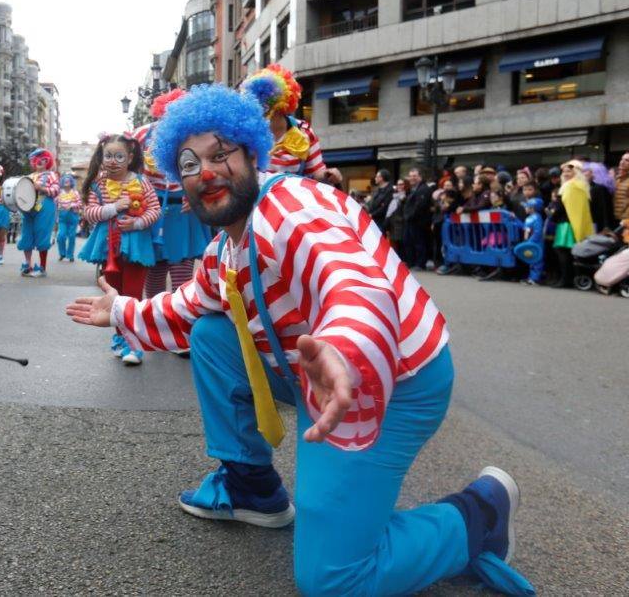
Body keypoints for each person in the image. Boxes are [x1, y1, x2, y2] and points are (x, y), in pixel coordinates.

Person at [65, 85, 531, 597]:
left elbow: (350, 278)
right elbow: (187, 305)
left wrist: (344, 349)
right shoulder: (226, 246)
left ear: (249, 151)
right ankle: (252, 488)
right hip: (309, 372)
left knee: (334, 579)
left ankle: (478, 516)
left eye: (221, 154)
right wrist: (122, 311)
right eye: (190, 164)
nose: (209, 173)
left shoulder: (291, 206)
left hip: (389, 380)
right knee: (212, 333)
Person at [78, 133, 160, 366]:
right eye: (108, 156)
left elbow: (155, 210)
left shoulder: (142, 182)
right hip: (109, 247)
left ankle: (135, 345)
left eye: (119, 156)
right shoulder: (99, 184)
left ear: (130, 157)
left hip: (136, 246)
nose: (113, 160)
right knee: (114, 295)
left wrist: (137, 223)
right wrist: (113, 208)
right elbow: (90, 212)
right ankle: (121, 336)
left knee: (132, 295)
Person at [137, 89, 211, 303]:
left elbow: (208, 166)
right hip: (152, 209)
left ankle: (179, 321)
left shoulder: (197, 135)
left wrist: (197, 192)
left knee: (183, 270)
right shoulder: (143, 135)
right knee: (155, 269)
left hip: (185, 211)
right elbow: (130, 168)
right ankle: (155, 320)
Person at [239, 64, 341, 185]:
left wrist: (328, 175)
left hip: (290, 199)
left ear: (281, 106)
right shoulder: (246, 133)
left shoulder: (304, 131)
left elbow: (316, 171)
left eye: (266, 108)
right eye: (256, 108)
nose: (260, 113)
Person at [18, 148, 60, 277]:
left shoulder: (52, 175)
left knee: (42, 234)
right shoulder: (29, 177)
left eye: (44, 159)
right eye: (37, 159)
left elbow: (56, 190)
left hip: (44, 205)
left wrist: (41, 188)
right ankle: (28, 264)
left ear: (48, 161)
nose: (40, 161)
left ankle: (42, 267)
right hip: (28, 208)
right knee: (26, 235)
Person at [552, 160, 594, 288]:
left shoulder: (569, 186)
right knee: (570, 252)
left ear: (576, 172)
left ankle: (566, 279)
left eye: (569, 171)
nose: (565, 173)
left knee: (562, 251)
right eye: (564, 171)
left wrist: (552, 214)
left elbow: (561, 207)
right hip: (573, 223)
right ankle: (570, 278)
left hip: (566, 224)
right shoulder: (582, 186)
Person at [402, 167, 434, 269]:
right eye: (410, 176)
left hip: (418, 222)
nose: (412, 178)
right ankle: (412, 262)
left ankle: (420, 263)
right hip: (411, 221)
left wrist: (409, 216)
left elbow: (419, 206)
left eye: (414, 176)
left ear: (420, 177)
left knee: (419, 242)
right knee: (409, 242)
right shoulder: (413, 189)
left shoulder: (424, 189)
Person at [55, 173, 82, 262]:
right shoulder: (59, 193)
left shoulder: (75, 193)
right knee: (61, 236)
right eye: (65, 180)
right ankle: (62, 253)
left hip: (73, 216)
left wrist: (71, 205)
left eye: (69, 180)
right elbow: (55, 203)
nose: (67, 181)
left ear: (71, 182)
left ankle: (70, 255)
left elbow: (80, 203)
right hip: (62, 217)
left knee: (72, 236)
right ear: (62, 182)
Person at [583, 161, 615, 232]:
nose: (583, 173)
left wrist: (606, 227)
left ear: (594, 173)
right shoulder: (589, 187)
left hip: (596, 226)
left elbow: (604, 210)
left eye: (586, 171)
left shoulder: (599, 189)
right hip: (590, 224)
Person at [521, 198, 546, 286]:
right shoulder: (530, 217)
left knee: (537, 260)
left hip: (536, 243)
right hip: (530, 242)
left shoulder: (537, 218)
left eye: (527, 207)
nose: (525, 208)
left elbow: (538, 232)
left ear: (533, 208)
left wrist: (530, 241)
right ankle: (531, 277)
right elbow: (524, 228)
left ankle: (536, 279)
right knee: (531, 260)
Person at [386, 178, 408, 256]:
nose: (399, 186)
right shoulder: (393, 197)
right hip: (393, 224)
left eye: (401, 184)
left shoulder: (407, 196)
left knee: (402, 244)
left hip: (401, 224)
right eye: (398, 184)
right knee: (394, 244)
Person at [615, 152, 629, 224]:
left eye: (627, 160)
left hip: (625, 221)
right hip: (615, 219)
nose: (622, 162)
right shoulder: (617, 179)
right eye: (622, 159)